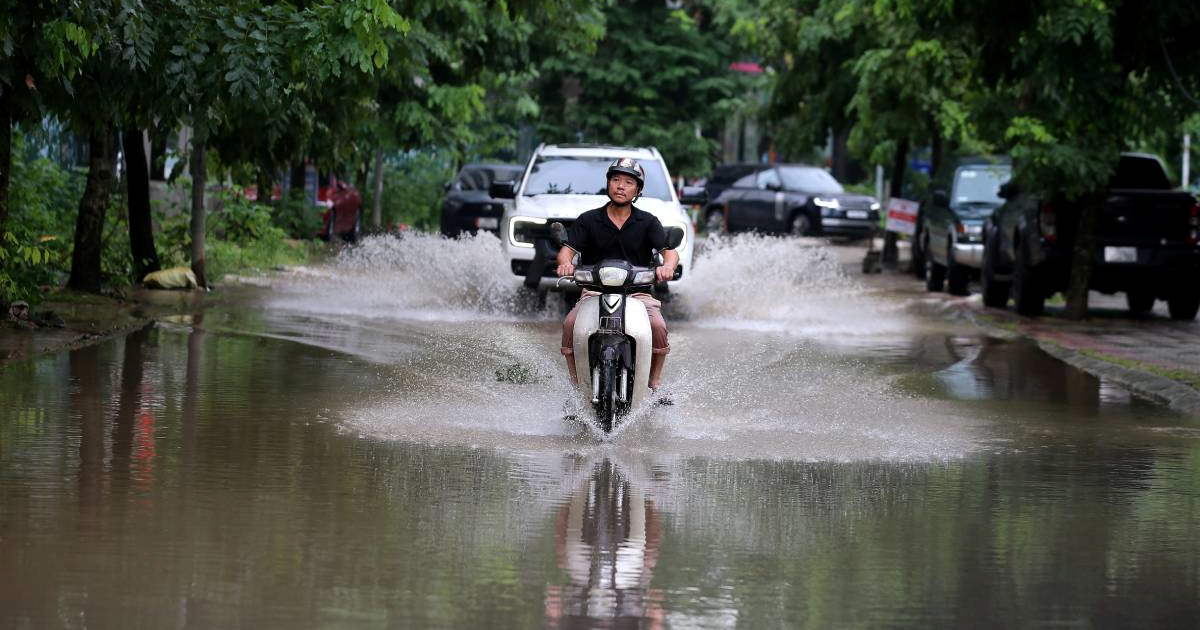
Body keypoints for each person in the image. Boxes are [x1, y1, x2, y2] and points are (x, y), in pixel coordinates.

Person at [556, 157, 679, 393]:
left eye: (628, 182)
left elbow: (670, 253)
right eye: (615, 179)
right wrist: (565, 265)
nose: (620, 186)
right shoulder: (588, 219)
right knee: (571, 324)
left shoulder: (648, 222)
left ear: (637, 190)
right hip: (594, 291)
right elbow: (566, 252)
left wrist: (668, 267)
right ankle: (575, 384)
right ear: (608, 184)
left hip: (637, 293)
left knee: (658, 326)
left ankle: (654, 382)